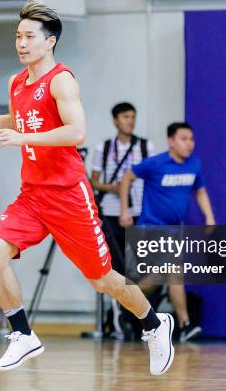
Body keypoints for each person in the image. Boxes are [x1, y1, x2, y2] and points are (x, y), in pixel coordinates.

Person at [0, 0, 174, 376]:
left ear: (50, 41)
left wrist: (21, 136)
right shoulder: (15, 82)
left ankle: (155, 324)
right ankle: (22, 334)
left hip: (69, 196)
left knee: (103, 281)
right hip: (32, 195)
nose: (21, 43)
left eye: (29, 36)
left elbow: (77, 131)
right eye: (17, 36)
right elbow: (15, 117)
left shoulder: (61, 80)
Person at [119, 122, 215, 343]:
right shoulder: (155, 164)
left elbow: (200, 191)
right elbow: (127, 178)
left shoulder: (194, 165)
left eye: (191, 139)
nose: (189, 144)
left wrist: (209, 216)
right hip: (149, 229)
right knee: (174, 272)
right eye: (183, 139)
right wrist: (125, 210)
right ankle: (184, 324)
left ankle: (123, 301)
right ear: (171, 141)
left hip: (174, 231)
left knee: (160, 279)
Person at [90, 102, 154, 339]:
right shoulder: (104, 148)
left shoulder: (146, 147)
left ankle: (141, 320)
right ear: (115, 120)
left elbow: (151, 176)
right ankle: (119, 319)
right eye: (126, 117)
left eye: (133, 117)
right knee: (115, 268)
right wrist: (114, 189)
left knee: (140, 267)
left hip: (138, 212)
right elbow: (94, 180)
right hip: (110, 213)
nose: (130, 121)